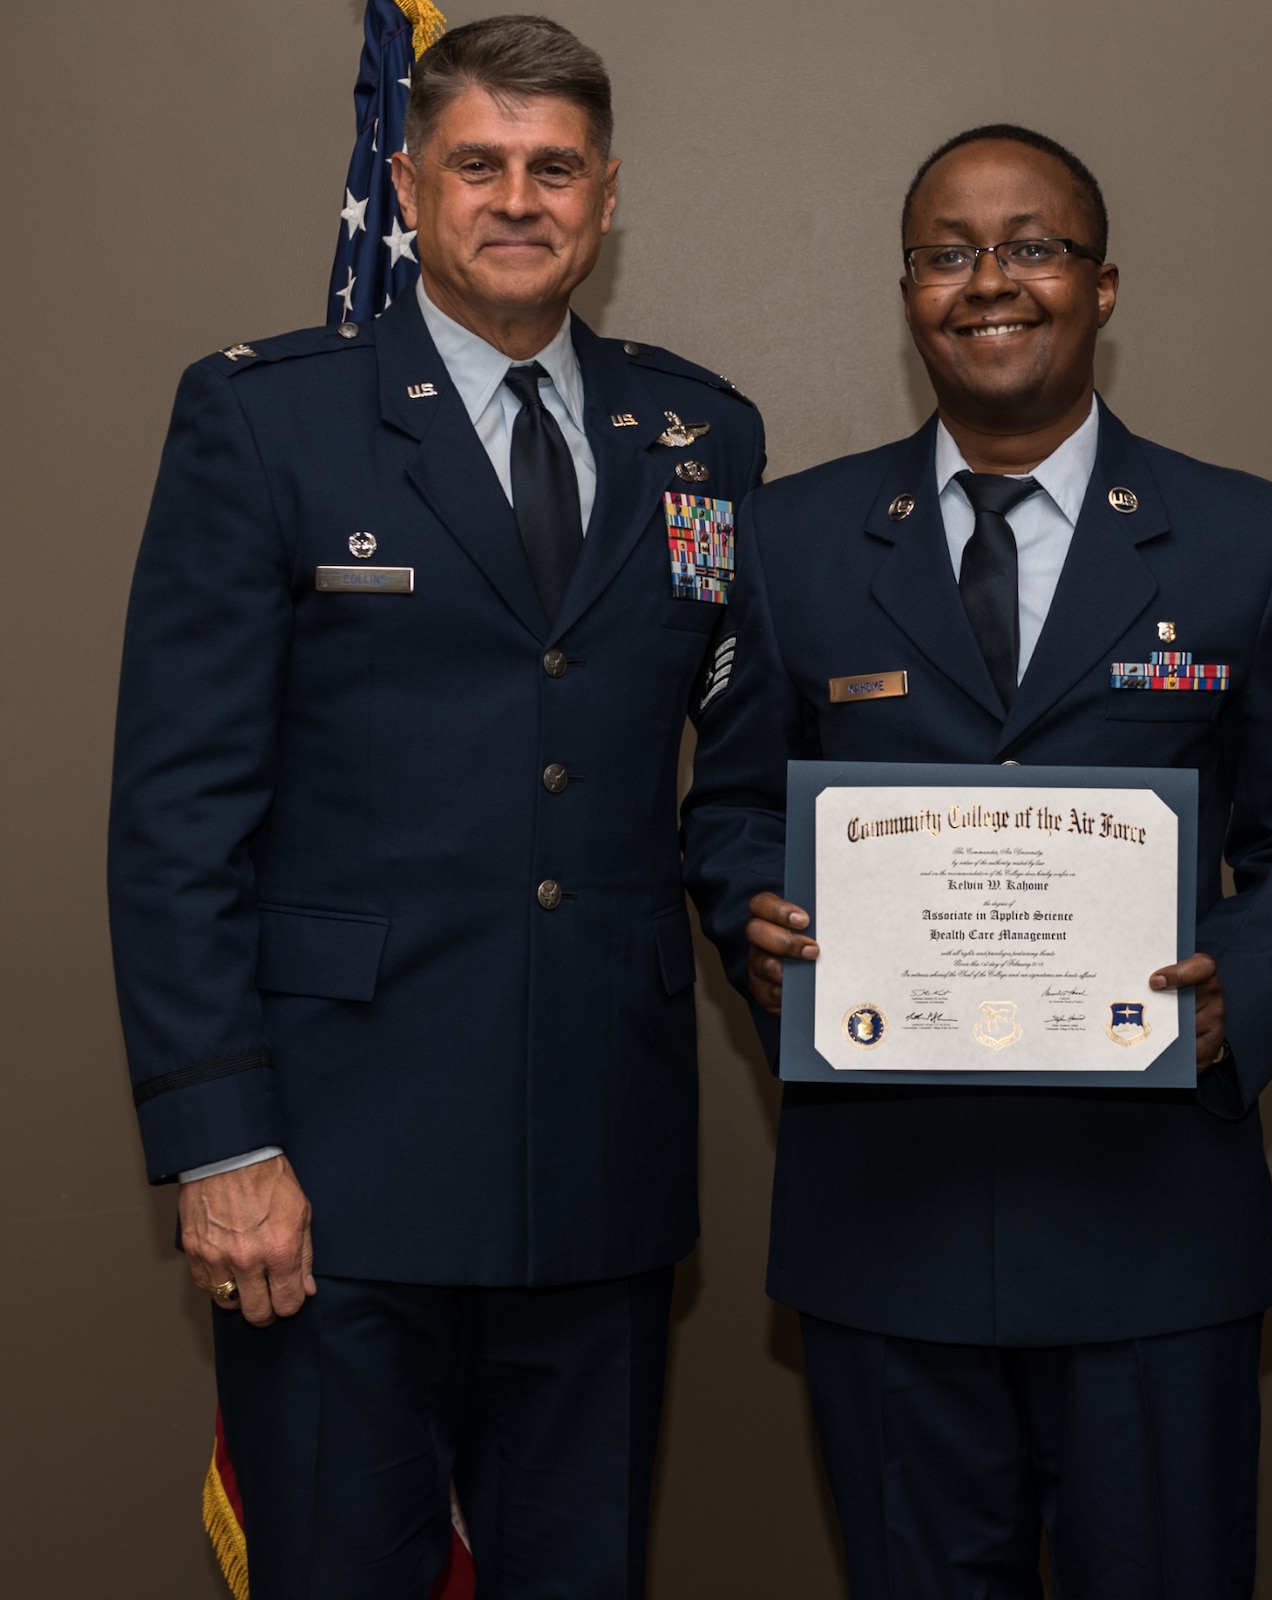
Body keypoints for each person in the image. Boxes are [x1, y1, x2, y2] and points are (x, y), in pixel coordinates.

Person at [680, 124, 1272, 1599]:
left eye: (1031, 248)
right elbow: (726, 811)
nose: (987, 282)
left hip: (1150, 1227)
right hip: (886, 1227)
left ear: (1103, 285)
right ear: (908, 292)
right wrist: (756, 919)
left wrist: (1232, 999)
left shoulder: (1244, 540)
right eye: (947, 253)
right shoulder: (797, 538)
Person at [107, 16, 761, 1596]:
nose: (517, 199)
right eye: (478, 164)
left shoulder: (701, 435)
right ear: (408, 187)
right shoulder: (265, 418)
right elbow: (178, 812)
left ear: (607, 198)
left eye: (554, 169)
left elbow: (734, 770)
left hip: (596, 1163)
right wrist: (221, 1145)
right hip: (333, 1169)